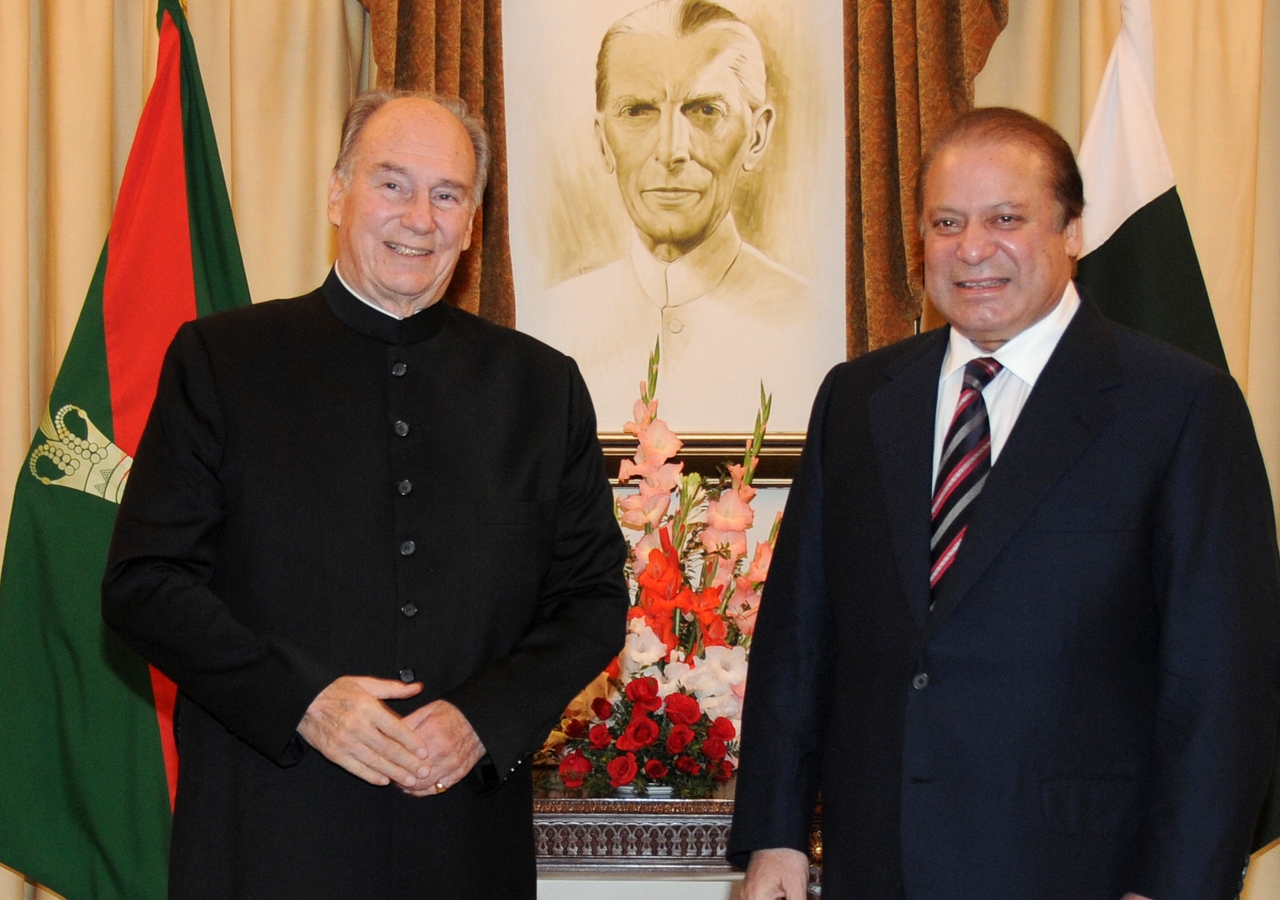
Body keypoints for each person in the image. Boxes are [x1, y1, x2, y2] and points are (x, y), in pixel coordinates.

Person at [727, 106, 1280, 900]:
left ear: (1074, 230)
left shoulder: (1180, 406)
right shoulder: (858, 399)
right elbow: (798, 634)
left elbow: (1222, 681)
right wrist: (775, 835)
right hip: (878, 865)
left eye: (1006, 219)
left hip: (1082, 873)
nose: (972, 249)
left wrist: (1177, 884)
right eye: (945, 222)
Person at [101, 90, 629, 899]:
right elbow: (144, 584)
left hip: (462, 844)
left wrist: (481, 720)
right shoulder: (222, 362)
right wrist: (304, 699)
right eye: (392, 183)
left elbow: (591, 600)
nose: (420, 216)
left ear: (473, 219)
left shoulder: (540, 389)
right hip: (265, 836)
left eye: (447, 194)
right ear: (337, 194)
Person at [519, 0, 828, 432]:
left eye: (705, 111)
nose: (670, 150)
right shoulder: (550, 329)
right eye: (638, 112)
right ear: (603, 141)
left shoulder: (811, 323)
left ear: (756, 137)